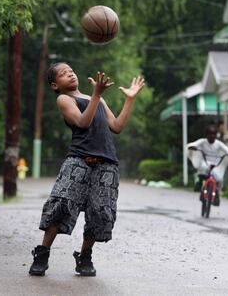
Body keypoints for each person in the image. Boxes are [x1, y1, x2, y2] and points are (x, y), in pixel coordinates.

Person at [29, 62, 145, 276]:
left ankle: (85, 256)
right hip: (79, 160)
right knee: (61, 204)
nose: (70, 74)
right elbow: (83, 122)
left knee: (100, 212)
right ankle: (43, 252)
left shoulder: (98, 99)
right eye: (64, 74)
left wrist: (129, 99)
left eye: (71, 71)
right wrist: (96, 95)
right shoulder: (64, 99)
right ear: (55, 85)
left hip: (107, 163)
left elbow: (117, 127)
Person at [187, 125, 228, 206]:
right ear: (206, 135)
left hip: (215, 164)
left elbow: (227, 149)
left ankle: (216, 193)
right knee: (201, 171)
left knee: (219, 180)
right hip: (204, 163)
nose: (211, 136)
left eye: (213, 134)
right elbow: (194, 144)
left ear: (216, 135)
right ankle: (199, 183)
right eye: (210, 134)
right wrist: (193, 147)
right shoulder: (202, 142)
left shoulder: (218, 144)